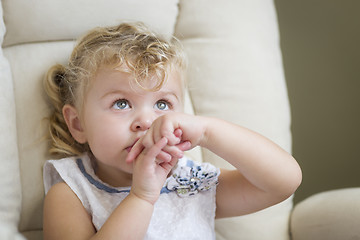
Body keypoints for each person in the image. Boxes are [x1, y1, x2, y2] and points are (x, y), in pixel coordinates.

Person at [42, 22, 302, 240]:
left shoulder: (189, 181)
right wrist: (142, 197)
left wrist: (207, 131)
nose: (146, 121)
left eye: (162, 104)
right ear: (78, 124)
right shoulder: (71, 192)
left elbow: (283, 182)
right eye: (121, 103)